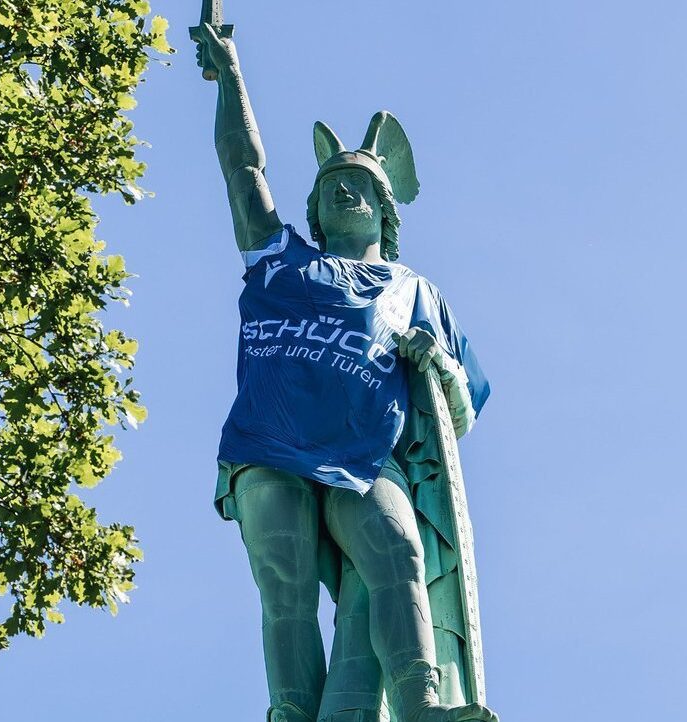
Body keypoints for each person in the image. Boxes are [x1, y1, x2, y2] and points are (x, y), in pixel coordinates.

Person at [193, 23, 499, 722]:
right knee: (286, 586)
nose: (345, 192)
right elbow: (243, 168)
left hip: (364, 455)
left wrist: (434, 357)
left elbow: (463, 405)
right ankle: (292, 712)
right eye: (333, 183)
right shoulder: (280, 260)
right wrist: (230, 74)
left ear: (386, 211)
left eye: (360, 184)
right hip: (269, 444)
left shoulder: (414, 289)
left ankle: (422, 706)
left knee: (397, 552)